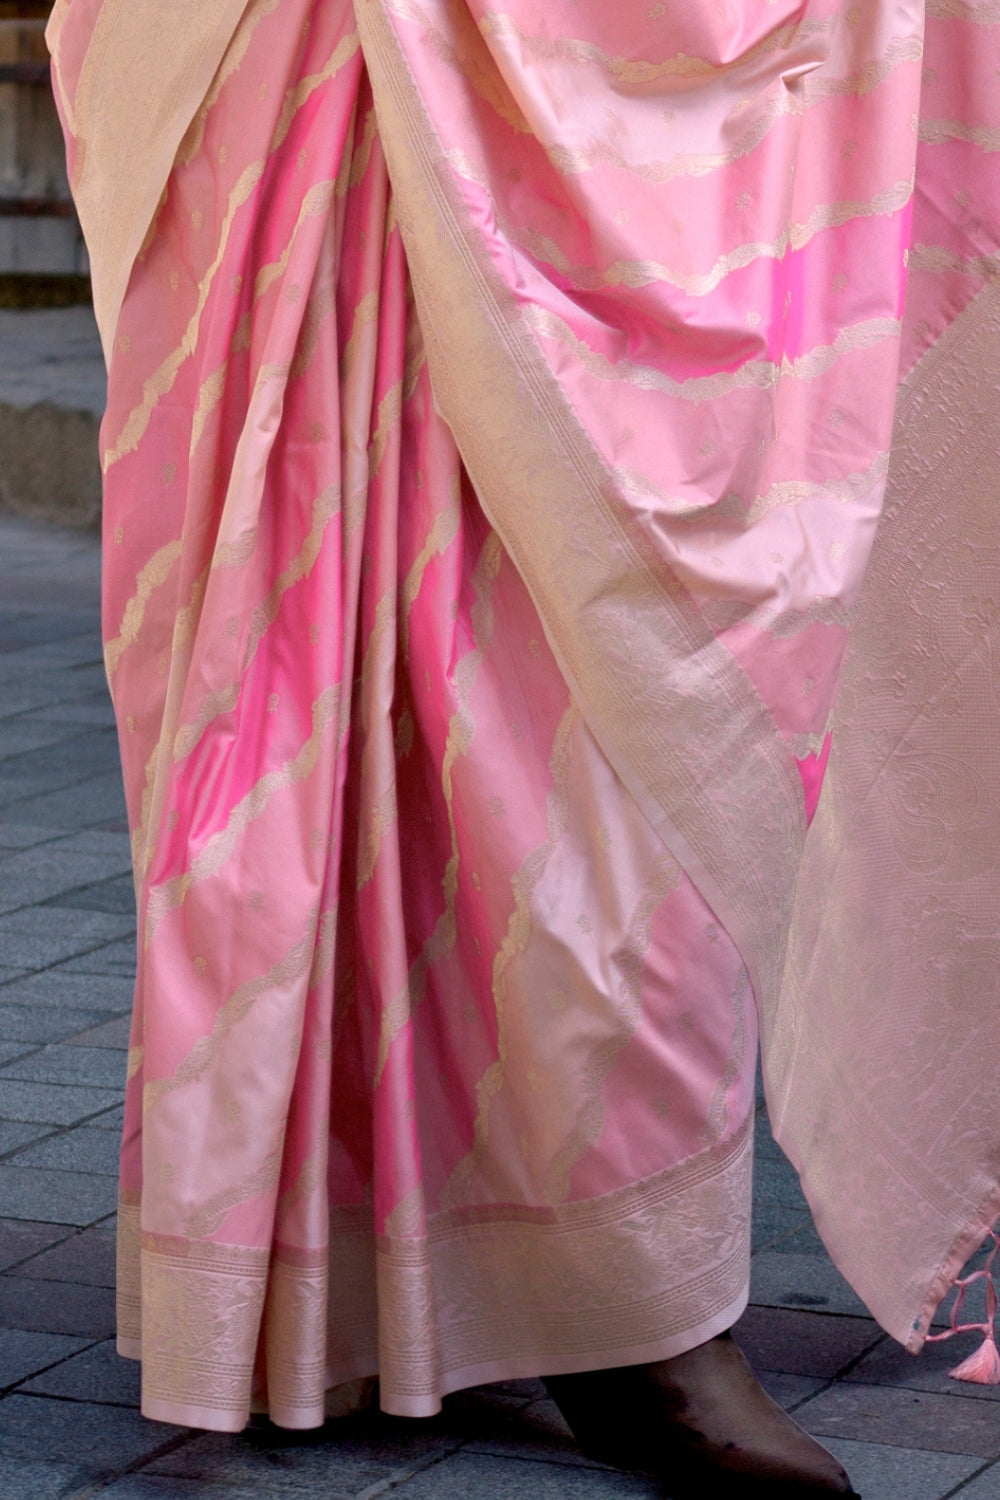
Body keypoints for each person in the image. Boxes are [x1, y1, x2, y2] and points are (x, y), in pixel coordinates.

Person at [48, 0, 1000, 1494]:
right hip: (297, 55)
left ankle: (623, 1292)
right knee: (300, 635)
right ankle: (338, 1268)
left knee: (597, 702)